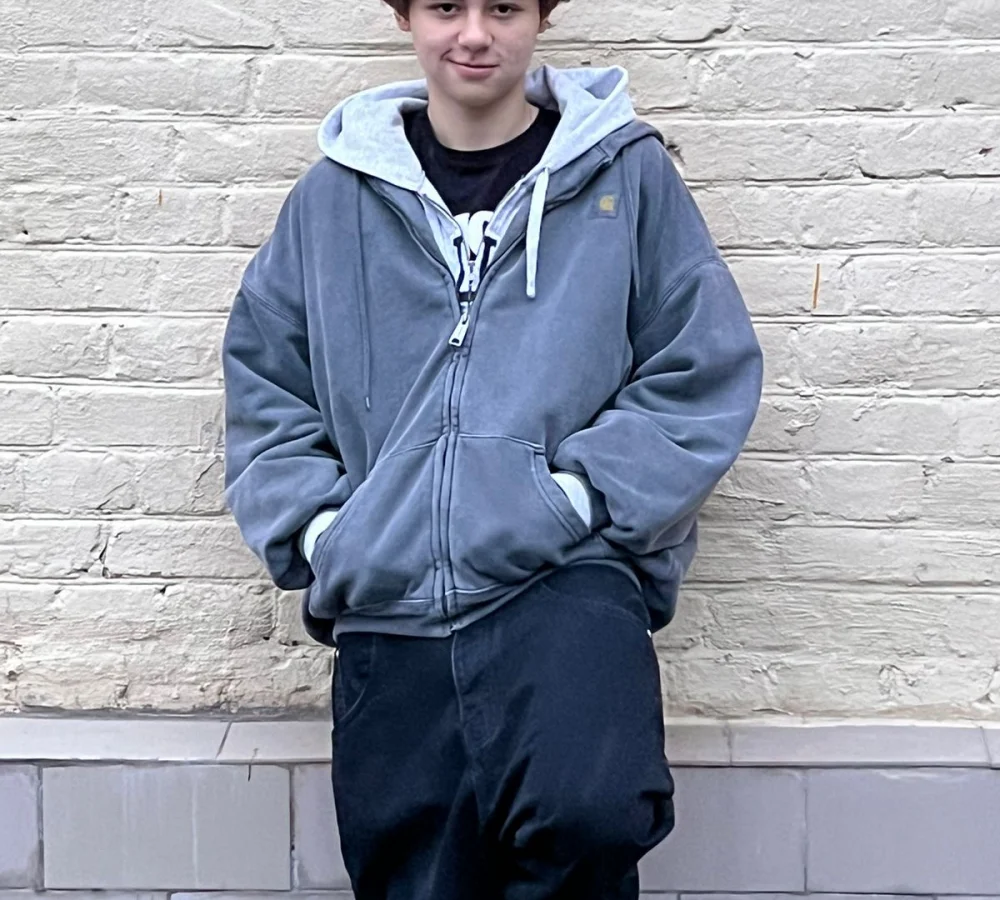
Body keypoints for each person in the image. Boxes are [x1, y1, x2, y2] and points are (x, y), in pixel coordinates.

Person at [222, 0, 763, 896]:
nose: (474, 34)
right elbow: (265, 382)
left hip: (564, 582)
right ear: (405, 16)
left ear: (541, 17)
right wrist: (324, 533)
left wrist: (576, 499)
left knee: (591, 824)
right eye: (447, 6)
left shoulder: (624, 177)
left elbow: (701, 366)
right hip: (389, 602)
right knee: (417, 878)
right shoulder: (332, 198)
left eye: (503, 7)